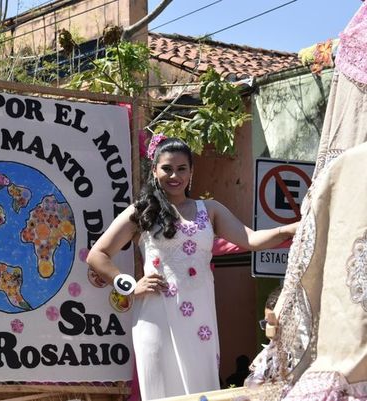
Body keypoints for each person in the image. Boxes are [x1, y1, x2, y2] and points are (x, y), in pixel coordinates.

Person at [86, 136, 298, 401]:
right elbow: (98, 255)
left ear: (191, 171)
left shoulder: (209, 210)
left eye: (181, 169)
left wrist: (290, 229)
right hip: (155, 315)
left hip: (200, 318)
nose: (174, 175)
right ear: (154, 170)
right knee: (160, 391)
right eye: (167, 168)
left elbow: (250, 239)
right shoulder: (141, 212)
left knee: (201, 390)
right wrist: (128, 285)